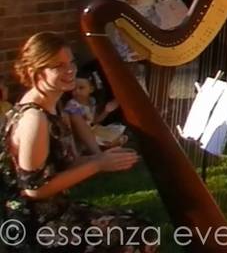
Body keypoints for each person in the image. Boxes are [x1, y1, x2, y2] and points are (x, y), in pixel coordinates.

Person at [0, 33, 155, 252]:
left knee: (136, 224)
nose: (70, 70)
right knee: (136, 235)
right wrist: (97, 165)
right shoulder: (34, 118)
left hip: (54, 211)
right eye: (59, 66)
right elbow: (34, 189)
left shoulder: (52, 104)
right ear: (37, 71)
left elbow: (59, 166)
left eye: (71, 62)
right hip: (33, 226)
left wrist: (104, 158)